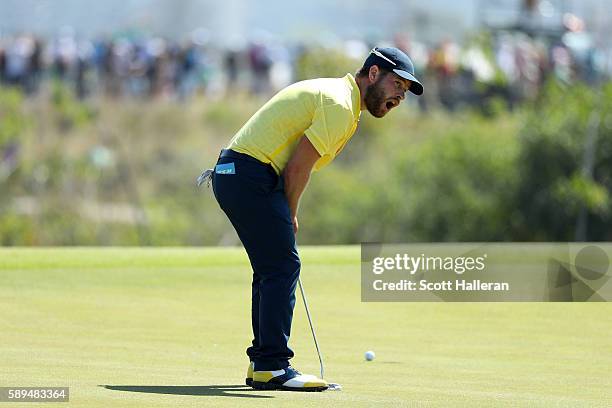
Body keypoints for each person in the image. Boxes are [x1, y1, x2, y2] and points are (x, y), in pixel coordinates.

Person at [203, 46, 423, 391]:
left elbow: (295, 165)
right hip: (249, 175)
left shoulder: (343, 101)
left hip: (238, 173)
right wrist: (290, 212)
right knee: (282, 266)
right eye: (398, 85)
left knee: (273, 267)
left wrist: (287, 211)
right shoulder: (339, 103)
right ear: (375, 73)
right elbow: (297, 168)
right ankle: (272, 366)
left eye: (405, 92)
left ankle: (264, 362)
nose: (400, 96)